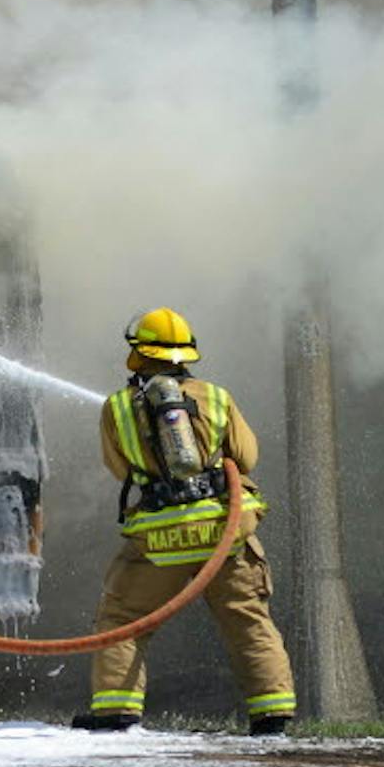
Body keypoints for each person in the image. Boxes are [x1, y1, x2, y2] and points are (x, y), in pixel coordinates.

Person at [78, 307, 298, 735]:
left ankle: (116, 711)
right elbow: (247, 457)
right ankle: (272, 714)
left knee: (123, 618)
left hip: (160, 539)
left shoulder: (119, 407)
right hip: (225, 533)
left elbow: (120, 470)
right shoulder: (216, 397)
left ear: (138, 354)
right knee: (247, 617)